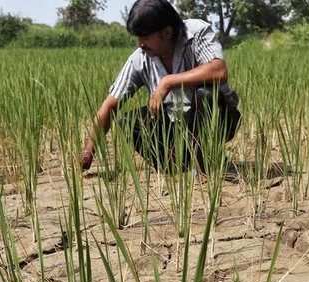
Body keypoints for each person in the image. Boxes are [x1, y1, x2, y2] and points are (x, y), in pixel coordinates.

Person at [80, 0, 241, 175]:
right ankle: (176, 165)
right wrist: (89, 151)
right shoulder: (140, 58)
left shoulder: (196, 33)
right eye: (138, 37)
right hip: (176, 125)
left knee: (205, 95)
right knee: (127, 122)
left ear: (167, 33)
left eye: (146, 37)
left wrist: (168, 81)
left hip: (219, 118)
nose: (140, 44)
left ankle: (204, 168)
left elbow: (219, 71)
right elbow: (110, 105)